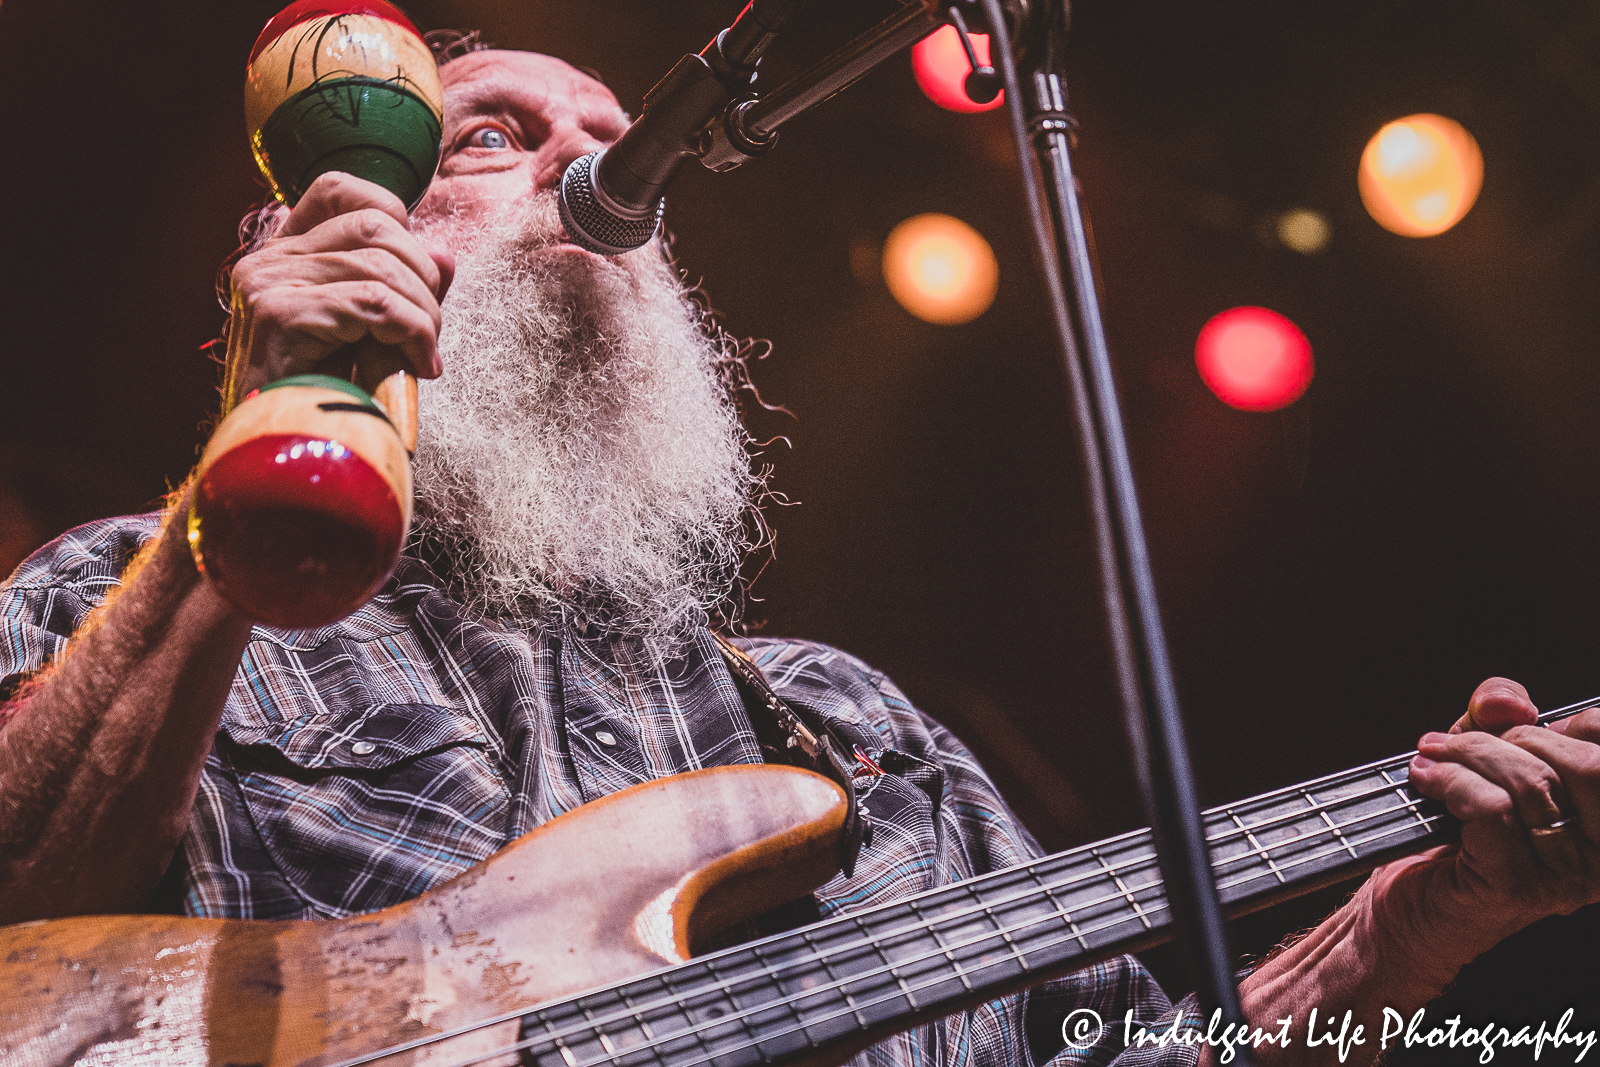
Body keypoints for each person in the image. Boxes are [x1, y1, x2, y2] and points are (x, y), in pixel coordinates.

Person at [0, 40, 1596, 1067]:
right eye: (493, 136)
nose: (587, 170)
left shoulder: (845, 726)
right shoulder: (137, 596)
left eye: (620, 141)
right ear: (356, 229)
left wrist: (1400, 932)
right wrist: (261, 473)